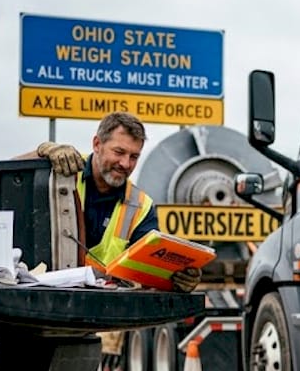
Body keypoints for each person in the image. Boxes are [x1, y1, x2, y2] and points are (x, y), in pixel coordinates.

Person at [20, 112, 201, 292]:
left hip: (104, 308)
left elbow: (150, 270)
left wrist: (177, 279)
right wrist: (41, 152)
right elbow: (3, 181)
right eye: (119, 152)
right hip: (42, 299)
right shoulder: (63, 167)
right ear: (97, 144)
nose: (125, 163)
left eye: (134, 157)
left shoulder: (141, 205)